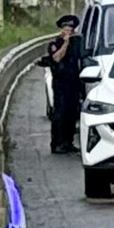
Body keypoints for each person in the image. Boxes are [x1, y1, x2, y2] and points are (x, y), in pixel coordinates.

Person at [41, 14, 86, 154]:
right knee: (60, 113)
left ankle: (69, 142)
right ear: (62, 29)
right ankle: (57, 143)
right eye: (66, 28)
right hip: (61, 83)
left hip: (73, 83)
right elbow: (57, 58)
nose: (69, 31)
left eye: (71, 29)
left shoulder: (77, 42)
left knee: (72, 113)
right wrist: (65, 43)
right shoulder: (56, 43)